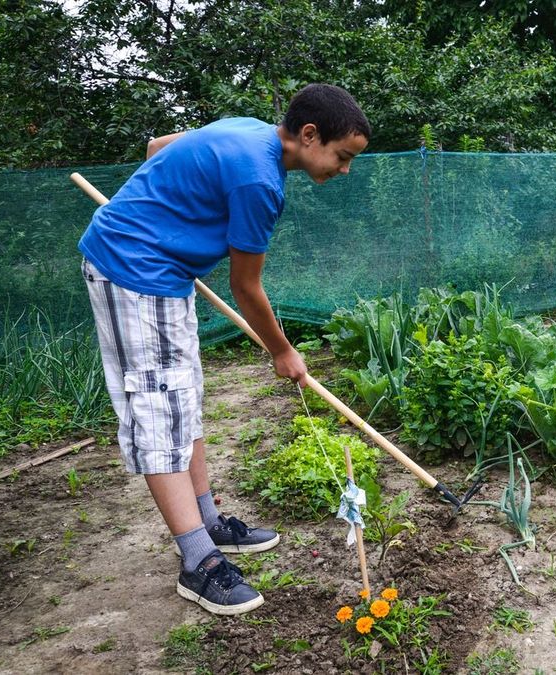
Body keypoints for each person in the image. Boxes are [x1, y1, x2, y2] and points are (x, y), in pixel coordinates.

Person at [78, 84, 370, 615]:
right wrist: (282, 351)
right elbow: (246, 288)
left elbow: (156, 149)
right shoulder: (260, 180)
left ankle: (208, 520)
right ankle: (197, 561)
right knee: (158, 409)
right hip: (133, 272)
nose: (344, 169)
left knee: (184, 395)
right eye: (342, 156)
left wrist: (173, 216)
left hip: (166, 273)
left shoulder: (250, 130)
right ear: (309, 135)